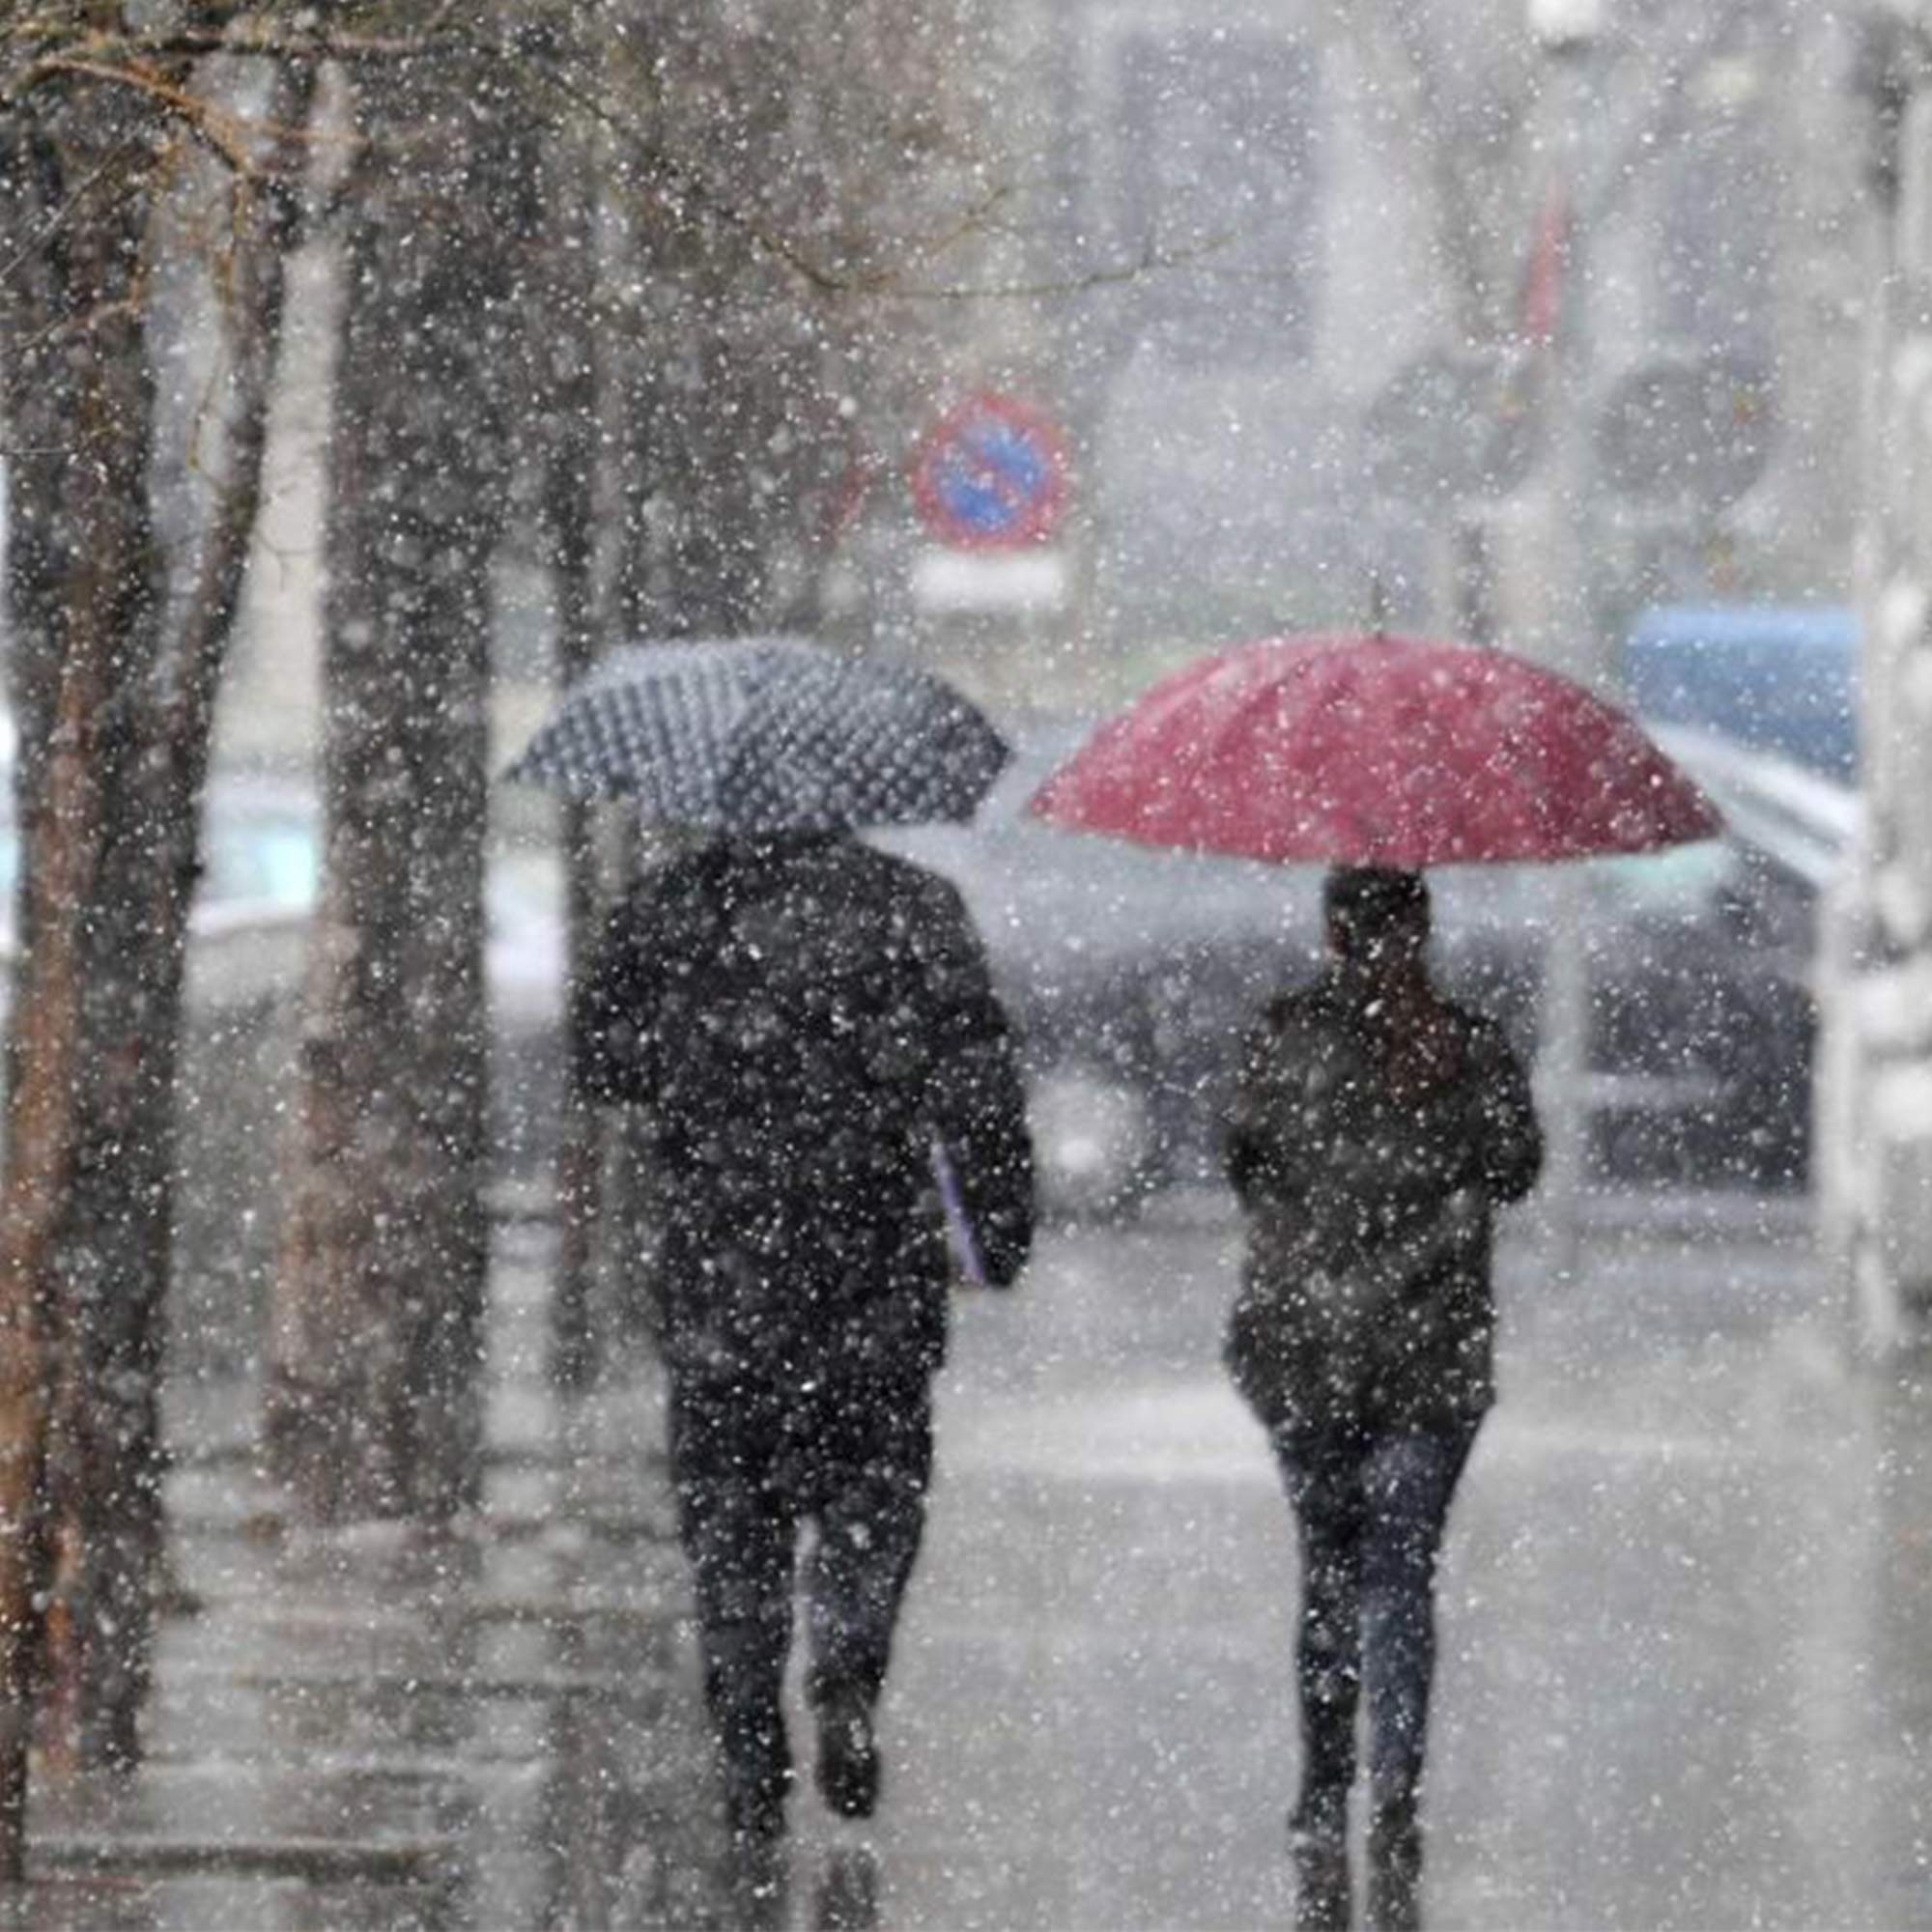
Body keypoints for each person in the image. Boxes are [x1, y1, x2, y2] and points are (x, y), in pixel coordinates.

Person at [573, 829, 1034, 1853]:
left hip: (722, 1284)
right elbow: (978, 1088)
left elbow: (601, 1064)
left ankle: (747, 1749)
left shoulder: (670, 910)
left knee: (730, 1524)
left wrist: (698, 1067)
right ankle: (848, 1662)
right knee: (872, 1492)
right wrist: (997, 1231)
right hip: (871, 1275)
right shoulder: (914, 907)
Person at [1223, 865, 1541, 1932]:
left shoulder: (1280, 1038)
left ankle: (1321, 1788)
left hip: (1304, 1348)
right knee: (1399, 1569)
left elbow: (1242, 1162)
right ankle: (1395, 1782)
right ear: (1422, 929)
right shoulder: (1469, 1043)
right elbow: (1514, 1168)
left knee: (1327, 1564)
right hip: (1430, 1356)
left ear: (1327, 934)